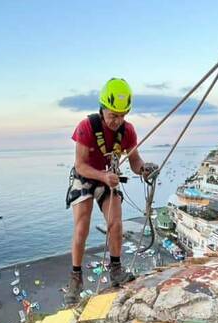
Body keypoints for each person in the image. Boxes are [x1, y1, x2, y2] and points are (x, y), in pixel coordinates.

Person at [64, 78, 158, 305]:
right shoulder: (86, 127)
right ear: (103, 109)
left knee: (116, 222)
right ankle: (76, 279)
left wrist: (144, 170)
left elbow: (135, 161)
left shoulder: (128, 131)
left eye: (122, 115)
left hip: (108, 177)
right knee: (82, 227)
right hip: (85, 176)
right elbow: (80, 165)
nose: (117, 120)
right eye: (113, 115)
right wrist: (104, 176)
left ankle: (116, 268)